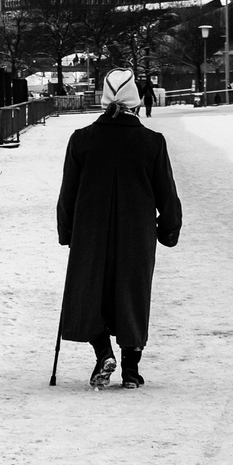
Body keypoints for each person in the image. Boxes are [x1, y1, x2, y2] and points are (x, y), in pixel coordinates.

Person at [57, 68, 183, 389]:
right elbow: (166, 193)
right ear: (135, 102)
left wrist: (66, 230)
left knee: (89, 292)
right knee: (132, 293)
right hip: (136, 233)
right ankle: (131, 370)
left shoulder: (82, 140)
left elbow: (68, 193)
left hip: (90, 233)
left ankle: (103, 353)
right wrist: (168, 228)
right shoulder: (151, 143)